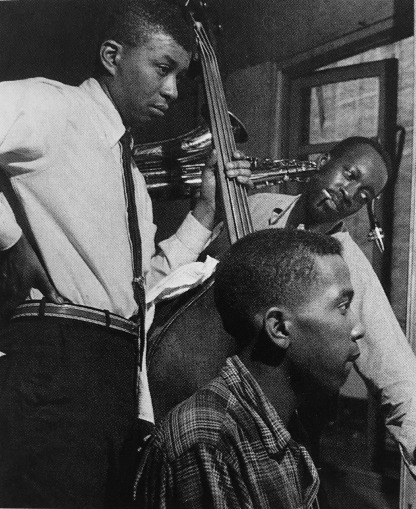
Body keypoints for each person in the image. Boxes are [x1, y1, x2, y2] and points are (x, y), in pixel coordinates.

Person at [0, 1, 251, 507]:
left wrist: (205, 214)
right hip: (58, 357)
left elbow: (138, 290)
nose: (173, 91)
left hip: (114, 373)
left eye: (180, 75)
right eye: (163, 68)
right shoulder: (54, 107)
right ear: (112, 56)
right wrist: (9, 238)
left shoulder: (131, 174)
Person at [248, 136, 416, 509]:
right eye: (348, 174)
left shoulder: (348, 263)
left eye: (364, 194)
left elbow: (393, 362)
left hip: (280, 418)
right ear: (323, 161)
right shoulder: (255, 206)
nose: (349, 193)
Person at [135, 228, 365, 508]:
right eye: (343, 306)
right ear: (279, 327)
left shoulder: (288, 426)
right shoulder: (208, 442)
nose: (358, 328)